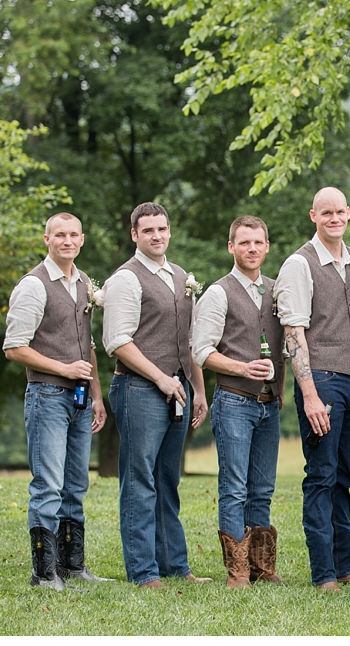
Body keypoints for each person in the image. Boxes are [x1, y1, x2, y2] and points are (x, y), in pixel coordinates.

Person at [102, 202, 211, 588]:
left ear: (169, 230)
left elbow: (192, 340)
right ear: (134, 235)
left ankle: (175, 566)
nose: (157, 236)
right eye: (147, 230)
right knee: (139, 481)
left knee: (168, 479)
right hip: (139, 390)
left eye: (162, 229)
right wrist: (162, 379)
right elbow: (118, 342)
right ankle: (144, 571)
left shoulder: (180, 276)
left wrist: (197, 388)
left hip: (178, 390)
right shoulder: (125, 280)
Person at [274, 187, 350, 592]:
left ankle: (343, 565)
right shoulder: (299, 264)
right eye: (325, 212)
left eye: (340, 212)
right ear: (313, 215)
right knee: (321, 475)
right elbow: (293, 331)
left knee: (344, 476)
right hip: (323, 383)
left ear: (348, 214)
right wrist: (310, 393)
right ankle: (324, 573)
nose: (334, 218)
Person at [4, 212, 110, 590]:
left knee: (75, 483)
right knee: (48, 483)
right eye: (60, 235)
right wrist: (64, 369)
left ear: (82, 240)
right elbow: (14, 348)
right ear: (46, 239)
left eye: (74, 235)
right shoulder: (34, 285)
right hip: (47, 395)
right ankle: (43, 572)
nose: (68, 241)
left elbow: (89, 347)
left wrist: (97, 394)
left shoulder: (83, 282)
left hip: (81, 399)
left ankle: (72, 565)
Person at [192, 216, 286, 588]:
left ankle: (263, 567)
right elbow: (201, 351)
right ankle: (238, 571)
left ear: (267, 246)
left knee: (262, 488)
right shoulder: (218, 293)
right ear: (231, 247)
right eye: (244, 242)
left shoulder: (278, 291)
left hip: (269, 405)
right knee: (234, 486)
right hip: (233, 400)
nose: (252, 249)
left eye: (258, 243)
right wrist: (241, 368)